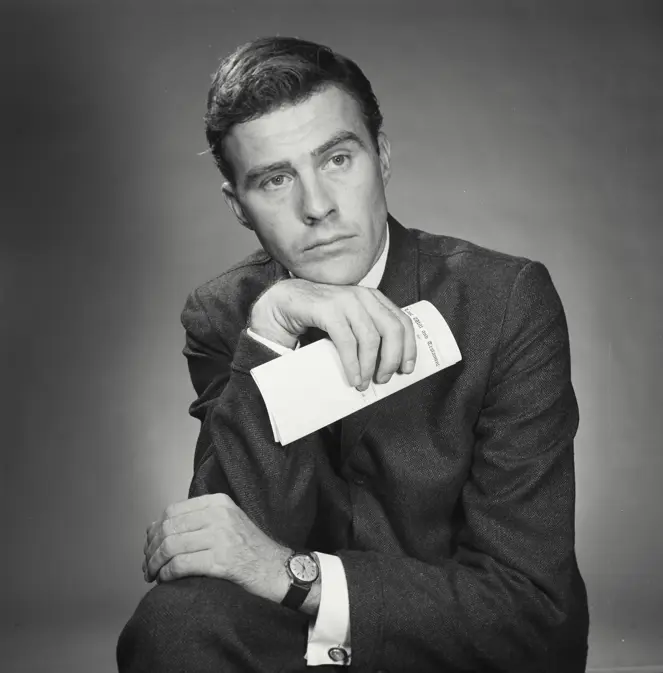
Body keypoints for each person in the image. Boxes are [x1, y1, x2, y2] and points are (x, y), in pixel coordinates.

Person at [117, 36, 590, 673]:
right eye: (275, 179)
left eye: (337, 159)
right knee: (172, 626)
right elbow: (221, 548)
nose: (316, 207)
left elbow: (534, 611)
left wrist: (298, 576)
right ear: (238, 206)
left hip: (447, 642)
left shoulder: (504, 300)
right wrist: (271, 334)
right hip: (290, 647)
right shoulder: (225, 313)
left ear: (382, 158)